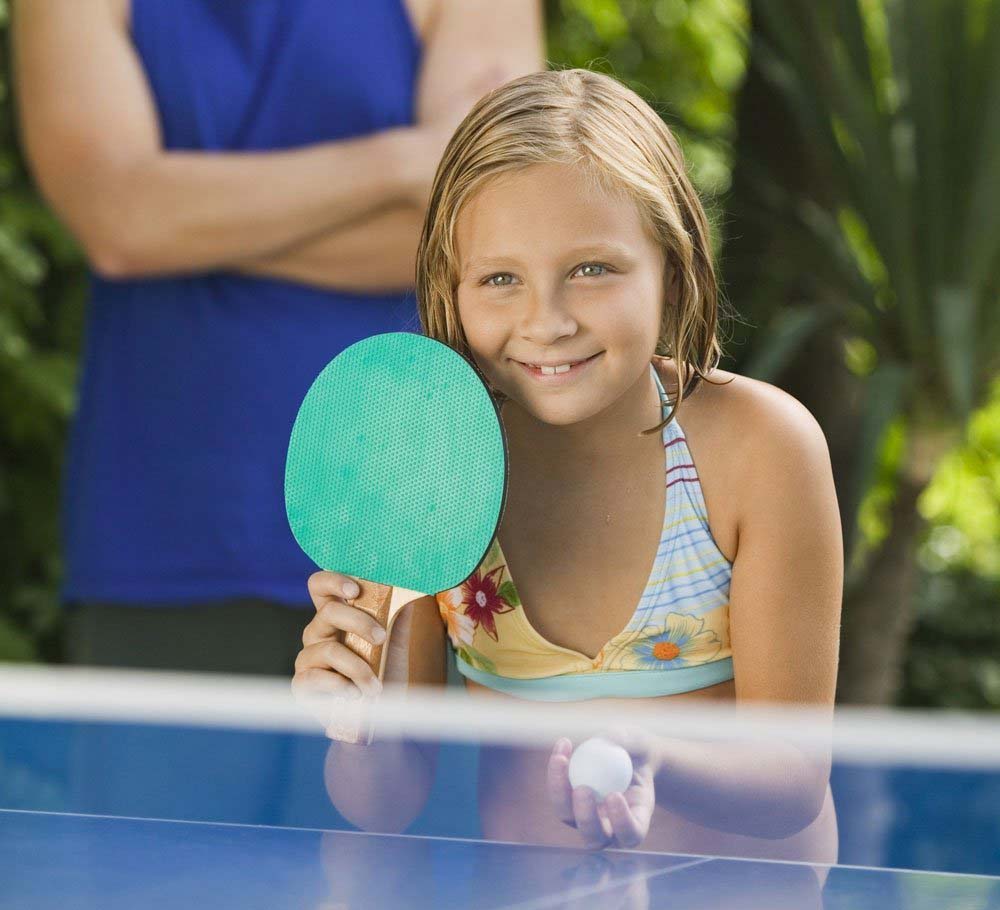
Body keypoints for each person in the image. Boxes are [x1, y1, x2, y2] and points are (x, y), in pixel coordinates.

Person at [295, 69, 844, 858]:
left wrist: (650, 752)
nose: (546, 322)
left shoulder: (759, 448)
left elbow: (793, 783)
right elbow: (384, 803)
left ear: (674, 265)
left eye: (593, 269)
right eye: (500, 279)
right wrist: (354, 721)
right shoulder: (424, 458)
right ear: (454, 291)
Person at [12, 0, 544, 674]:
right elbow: (117, 222)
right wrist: (402, 160)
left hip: (424, 509)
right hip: (171, 520)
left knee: (407, 780)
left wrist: (179, 224)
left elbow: (491, 240)